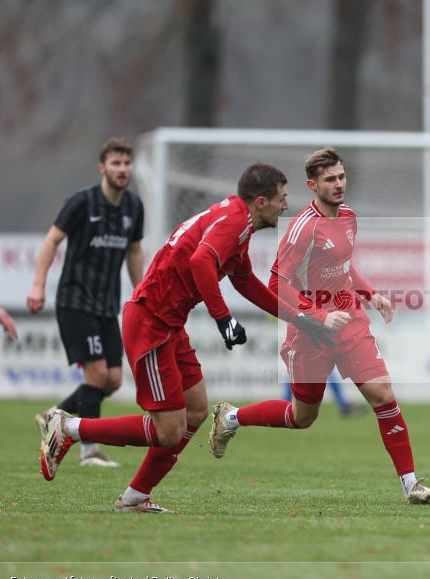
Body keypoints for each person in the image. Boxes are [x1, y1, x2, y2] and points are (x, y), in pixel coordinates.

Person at [38, 163, 330, 512]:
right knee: (168, 431)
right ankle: (69, 427)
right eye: (282, 199)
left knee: (195, 410)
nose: (286, 206)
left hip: (169, 325)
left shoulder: (238, 222)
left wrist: (298, 317)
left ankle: (136, 497)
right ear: (261, 201)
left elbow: (245, 281)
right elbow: (200, 261)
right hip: (150, 322)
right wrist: (223, 319)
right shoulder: (234, 221)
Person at [208, 147, 430, 505]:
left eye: (342, 177)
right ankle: (232, 417)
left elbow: (344, 266)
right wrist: (318, 317)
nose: (339, 185)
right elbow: (277, 284)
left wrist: (371, 294)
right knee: (302, 416)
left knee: (383, 395)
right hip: (310, 332)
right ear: (312, 185)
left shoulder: (349, 217)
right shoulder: (303, 228)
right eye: (330, 179)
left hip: (350, 321)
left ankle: (411, 485)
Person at [28, 138, 145, 468]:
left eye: (126, 163)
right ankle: (88, 450)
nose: (122, 169)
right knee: (96, 376)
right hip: (75, 300)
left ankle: (53, 416)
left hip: (107, 306)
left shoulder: (134, 207)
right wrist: (38, 285)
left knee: (113, 380)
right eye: (116, 163)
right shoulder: (81, 203)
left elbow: (134, 252)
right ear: (102, 167)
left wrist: (142, 293)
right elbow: (52, 240)